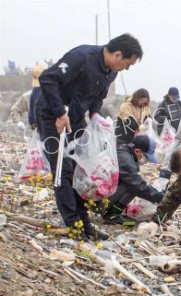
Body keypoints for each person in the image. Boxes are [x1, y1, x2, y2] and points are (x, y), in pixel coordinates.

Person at [36, 33, 143, 240]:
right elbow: (47, 79)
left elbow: (97, 97)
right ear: (118, 55)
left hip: (75, 118)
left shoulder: (110, 71)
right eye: (127, 64)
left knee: (81, 170)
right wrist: (59, 113)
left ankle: (85, 223)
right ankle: (73, 225)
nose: (125, 70)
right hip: (53, 116)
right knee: (63, 170)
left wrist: (95, 115)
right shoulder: (82, 57)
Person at [103, 135, 164, 224]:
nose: (145, 160)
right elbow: (138, 186)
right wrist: (160, 197)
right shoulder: (125, 159)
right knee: (132, 187)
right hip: (98, 197)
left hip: (103, 190)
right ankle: (112, 215)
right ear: (137, 151)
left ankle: (113, 212)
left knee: (134, 183)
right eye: (145, 156)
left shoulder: (125, 152)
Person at [28, 63, 48, 129]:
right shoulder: (36, 90)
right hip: (42, 124)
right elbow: (33, 105)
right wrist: (32, 121)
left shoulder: (52, 88)